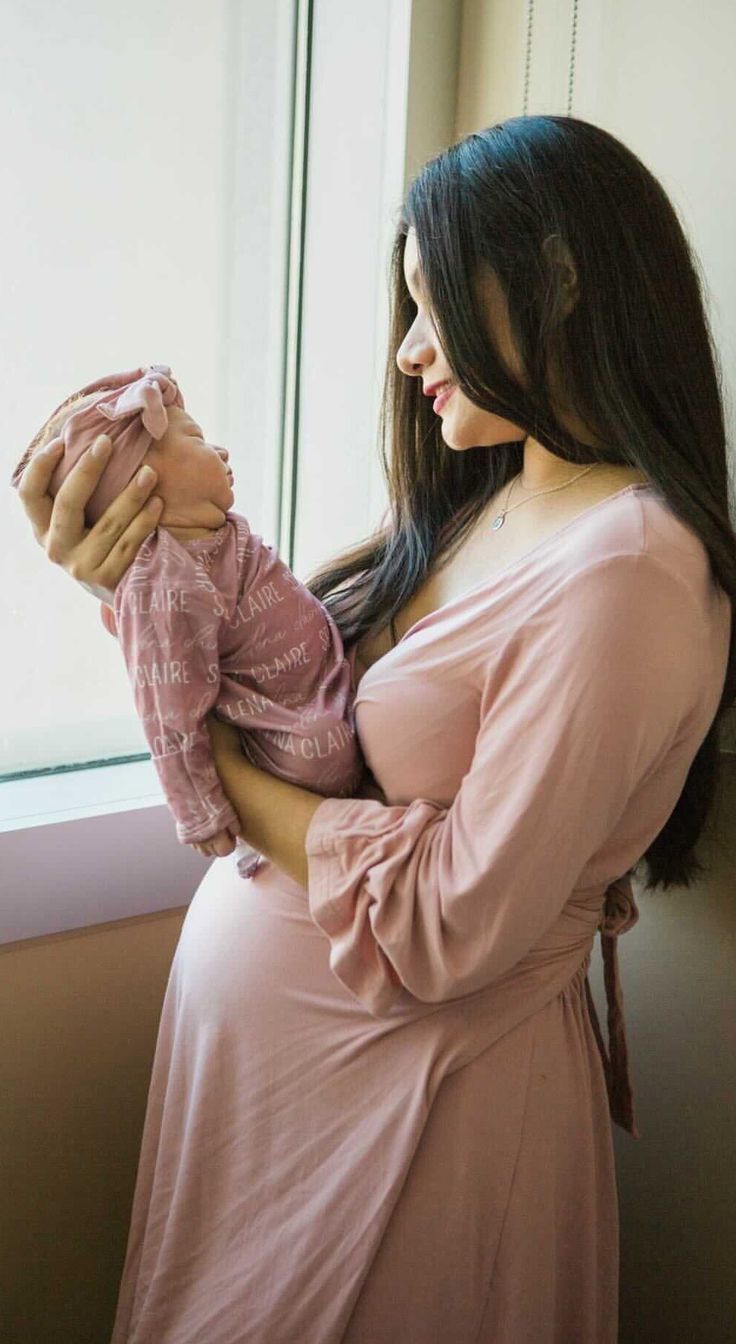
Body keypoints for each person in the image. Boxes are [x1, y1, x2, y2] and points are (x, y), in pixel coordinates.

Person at [14, 114, 735, 1343]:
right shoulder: (489, 508)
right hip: (296, 1099)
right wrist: (135, 586)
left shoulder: (629, 572)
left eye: (431, 303)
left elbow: (453, 919)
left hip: (419, 1110)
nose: (408, 351)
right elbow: (292, 694)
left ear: (558, 281)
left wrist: (220, 777)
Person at [10, 364, 364, 879]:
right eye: (197, 438)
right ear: (140, 488)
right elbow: (168, 706)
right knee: (322, 754)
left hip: (317, 691)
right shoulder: (164, 577)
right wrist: (199, 810)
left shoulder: (216, 542)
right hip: (297, 744)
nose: (220, 451)